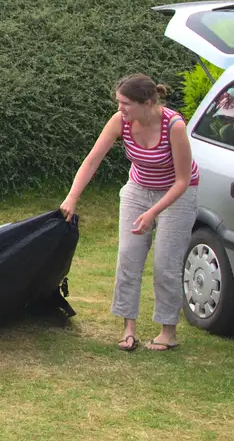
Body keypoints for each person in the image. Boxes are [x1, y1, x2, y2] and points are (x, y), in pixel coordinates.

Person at [60, 74, 199, 352]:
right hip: (138, 188)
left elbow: (182, 181)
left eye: (126, 103)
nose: (121, 108)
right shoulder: (120, 121)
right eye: (119, 102)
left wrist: (153, 213)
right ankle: (128, 329)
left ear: (147, 103)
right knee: (128, 256)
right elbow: (92, 160)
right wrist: (72, 197)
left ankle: (167, 331)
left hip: (176, 193)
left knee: (165, 262)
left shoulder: (175, 126)